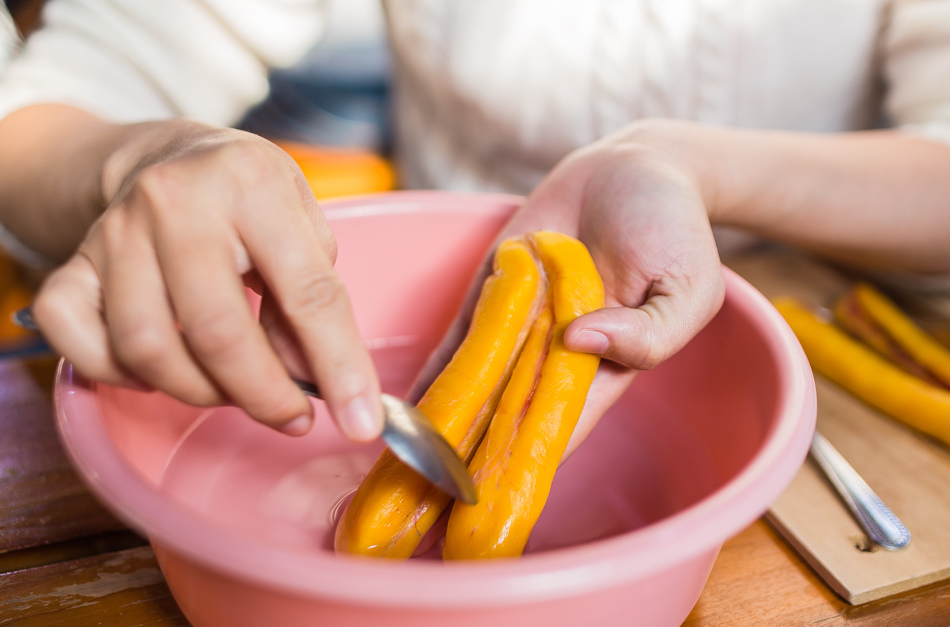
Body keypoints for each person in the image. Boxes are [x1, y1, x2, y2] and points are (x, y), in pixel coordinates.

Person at [1, 0, 949, 452]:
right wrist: (146, 158)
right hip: (427, 322)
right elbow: (33, 120)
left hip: (825, 353)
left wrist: (686, 165)